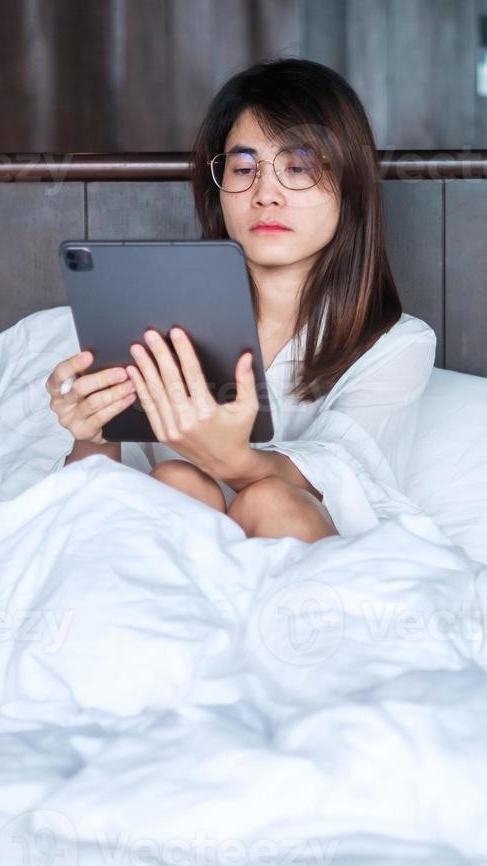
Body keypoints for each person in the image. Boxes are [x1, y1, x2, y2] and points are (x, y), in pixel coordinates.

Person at [45, 58, 436, 544]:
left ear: (350, 186)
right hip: (174, 570)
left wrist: (231, 457)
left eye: (299, 167)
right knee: (177, 482)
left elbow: (337, 472)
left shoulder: (398, 346)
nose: (266, 193)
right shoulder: (154, 324)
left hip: (315, 571)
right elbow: (102, 506)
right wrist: (92, 433)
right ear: (219, 191)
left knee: (270, 500)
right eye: (244, 168)